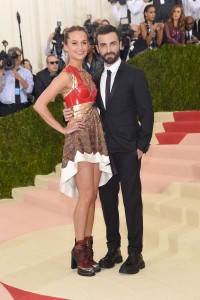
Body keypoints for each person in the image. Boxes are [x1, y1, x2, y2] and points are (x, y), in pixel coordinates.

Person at [33, 26, 112, 277]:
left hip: (95, 137)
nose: (80, 47)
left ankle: (86, 249)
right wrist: (63, 127)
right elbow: (39, 104)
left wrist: (72, 112)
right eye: (74, 43)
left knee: (91, 197)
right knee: (86, 195)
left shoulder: (86, 73)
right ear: (65, 46)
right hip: (79, 139)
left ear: (88, 45)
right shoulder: (66, 75)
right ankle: (81, 252)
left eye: (84, 42)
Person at [94, 25, 154, 274]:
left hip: (129, 149)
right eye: (103, 45)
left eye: (112, 44)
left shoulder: (134, 75)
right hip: (104, 150)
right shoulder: (95, 77)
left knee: (131, 201)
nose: (109, 49)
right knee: (107, 201)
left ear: (120, 44)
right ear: (97, 48)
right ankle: (114, 249)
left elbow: (146, 113)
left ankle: (135, 253)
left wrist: (141, 146)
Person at [0, 47, 34, 117]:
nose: (17, 58)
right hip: (5, 107)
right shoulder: (4, 72)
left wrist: (20, 78)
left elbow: (29, 90)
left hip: (21, 106)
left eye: (18, 56)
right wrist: (1, 73)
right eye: (14, 56)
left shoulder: (26, 72)